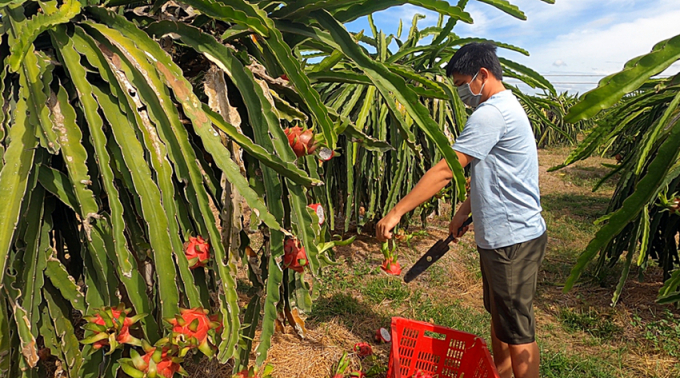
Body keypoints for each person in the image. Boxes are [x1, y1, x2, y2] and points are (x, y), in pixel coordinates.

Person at [375, 42, 547, 378]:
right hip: (500, 237)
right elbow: (493, 173)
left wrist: (397, 212)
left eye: (460, 84)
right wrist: (463, 212)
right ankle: (500, 374)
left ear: (482, 75)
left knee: (518, 331)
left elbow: (446, 169)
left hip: (512, 240)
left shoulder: (492, 113)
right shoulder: (504, 108)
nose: (461, 94)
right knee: (501, 321)